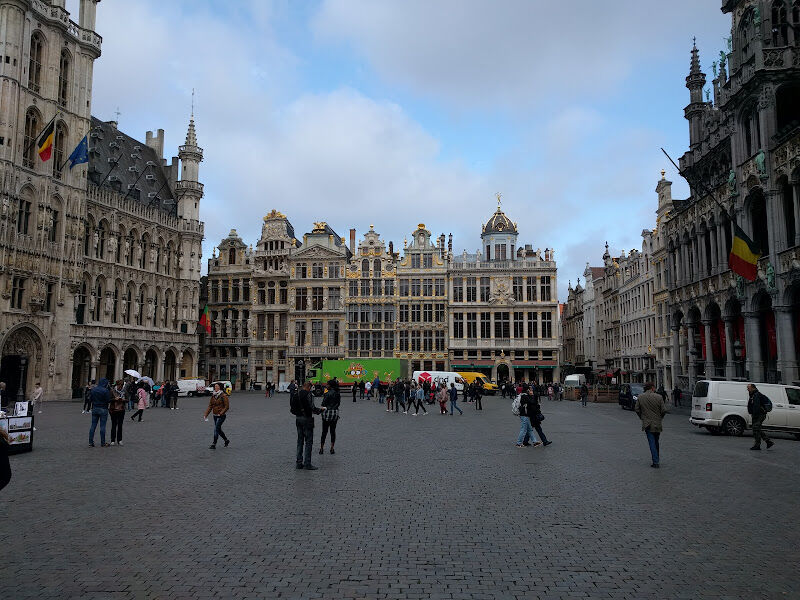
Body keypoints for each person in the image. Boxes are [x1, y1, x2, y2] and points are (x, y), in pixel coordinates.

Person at [634, 382, 667, 468]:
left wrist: (642, 417)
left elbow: (636, 409)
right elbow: (664, 410)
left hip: (647, 423)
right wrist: (660, 417)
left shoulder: (641, 397)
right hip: (657, 423)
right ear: (652, 388)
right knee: (656, 441)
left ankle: (655, 461)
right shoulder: (659, 397)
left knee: (652, 442)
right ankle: (656, 459)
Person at [295, 381, 322, 469]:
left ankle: (299, 463)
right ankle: (307, 463)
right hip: (307, 419)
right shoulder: (308, 394)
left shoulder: (296, 393)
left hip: (298, 418)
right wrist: (320, 410)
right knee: (308, 442)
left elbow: (292, 406)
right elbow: (312, 407)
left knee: (300, 441)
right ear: (309, 387)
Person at [747, 384, 774, 451]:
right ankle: (768, 442)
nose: (747, 389)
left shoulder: (756, 395)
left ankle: (757, 445)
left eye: (748, 388)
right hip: (758, 414)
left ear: (753, 388)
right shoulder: (753, 394)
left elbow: (756, 406)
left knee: (756, 429)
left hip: (759, 415)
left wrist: (754, 415)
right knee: (757, 428)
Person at [203, 382, 230, 449]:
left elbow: (227, 406)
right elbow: (210, 406)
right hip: (215, 415)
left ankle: (214, 444)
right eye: (215, 386)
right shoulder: (213, 395)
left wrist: (221, 413)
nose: (215, 388)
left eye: (217, 386)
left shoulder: (224, 396)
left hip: (221, 416)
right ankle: (226, 440)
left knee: (216, 429)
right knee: (218, 429)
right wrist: (206, 414)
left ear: (220, 387)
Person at [88, 378, 112, 447]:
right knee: (102, 426)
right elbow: (108, 400)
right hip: (103, 409)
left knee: (93, 425)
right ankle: (103, 442)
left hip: (95, 408)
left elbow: (90, 399)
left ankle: (90, 442)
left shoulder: (94, 389)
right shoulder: (105, 390)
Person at [319, 380, 340, 455]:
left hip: (327, 413)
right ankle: (332, 448)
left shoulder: (327, 394)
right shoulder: (337, 393)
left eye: (327, 384)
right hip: (334, 413)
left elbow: (323, 403)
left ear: (330, 385)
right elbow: (338, 404)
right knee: (333, 431)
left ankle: (321, 448)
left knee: (324, 431)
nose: (326, 385)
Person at [109, 380, 126, 446]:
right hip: (113, 410)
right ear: (117, 385)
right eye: (119, 385)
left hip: (121, 409)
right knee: (113, 425)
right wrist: (114, 399)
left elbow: (128, 399)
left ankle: (120, 440)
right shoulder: (112, 391)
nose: (120, 387)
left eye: (122, 385)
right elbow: (109, 399)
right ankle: (112, 440)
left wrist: (124, 400)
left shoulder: (124, 391)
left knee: (120, 425)